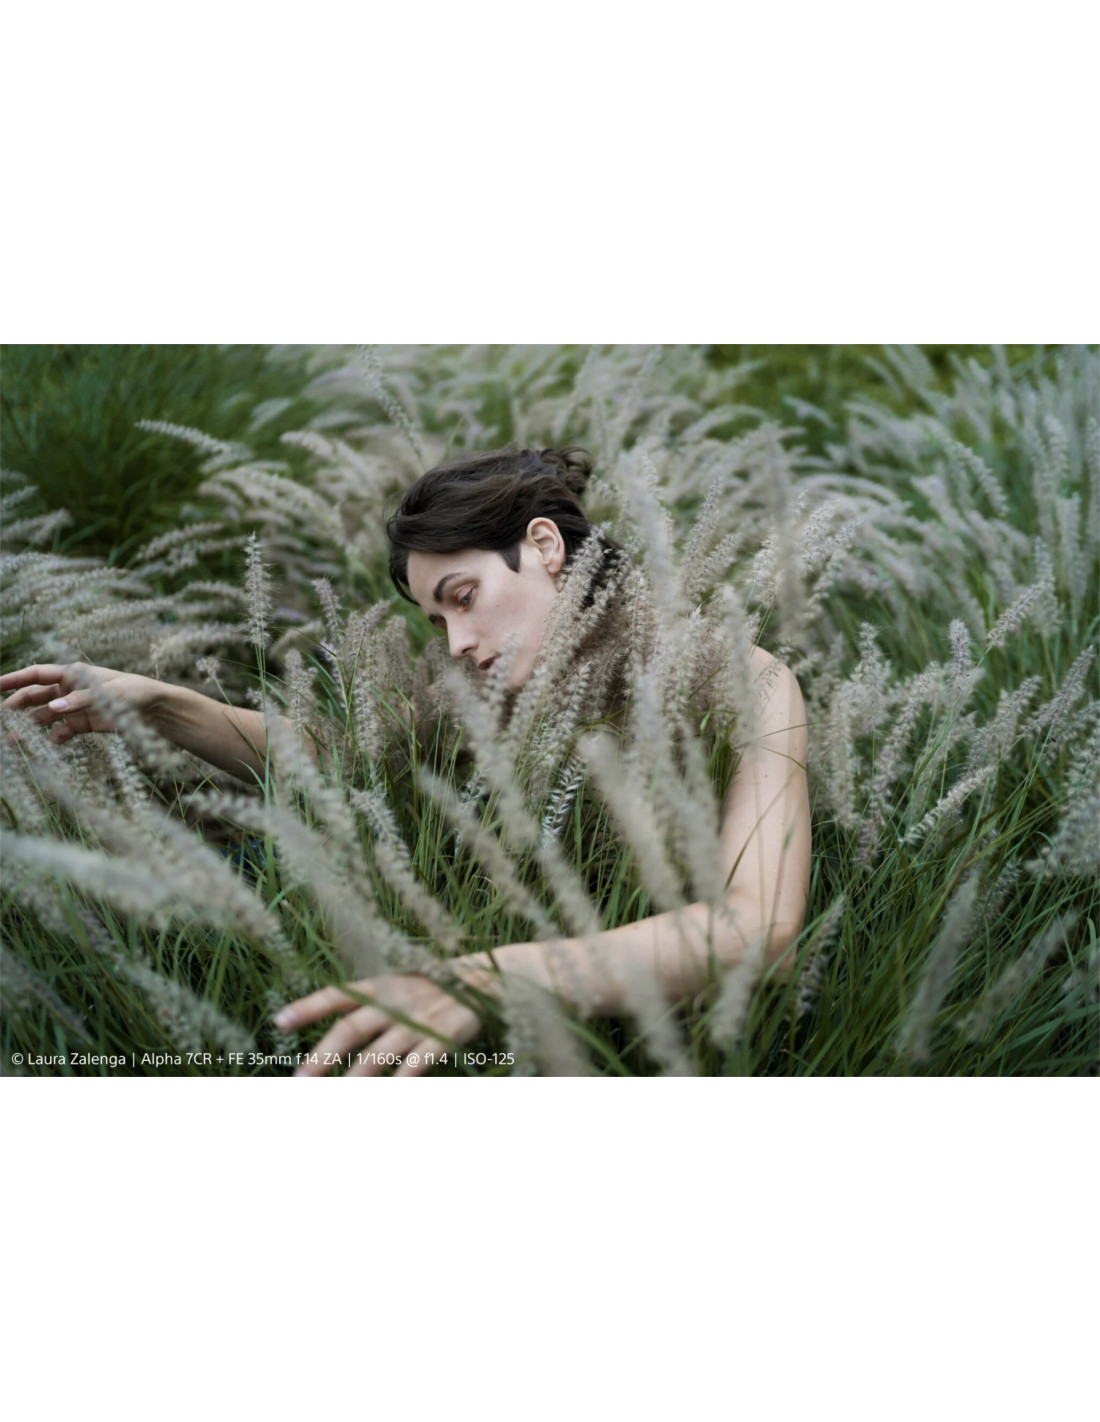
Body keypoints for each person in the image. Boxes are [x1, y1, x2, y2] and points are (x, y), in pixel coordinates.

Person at [1, 445, 811, 1076]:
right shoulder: (483, 687)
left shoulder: (745, 682)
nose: (456, 644)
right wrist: (160, 704)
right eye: (437, 622)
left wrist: (492, 978)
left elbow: (761, 928)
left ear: (543, 545)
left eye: (463, 597)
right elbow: (325, 755)